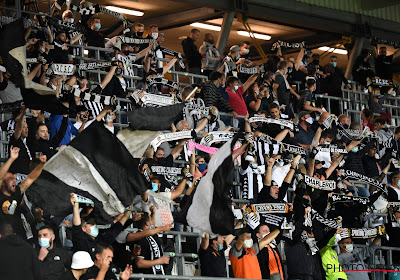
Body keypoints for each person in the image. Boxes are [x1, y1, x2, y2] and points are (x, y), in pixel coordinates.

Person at [0, 147, 46, 238]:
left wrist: (41, 165)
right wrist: (11, 159)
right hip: (4, 238)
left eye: (14, 178)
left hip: (19, 237)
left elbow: (31, 178)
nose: (14, 180)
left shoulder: (16, 192)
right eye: (10, 178)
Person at [70, 193, 132, 258]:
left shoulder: (101, 240)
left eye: (94, 223)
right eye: (91, 224)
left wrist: (127, 214)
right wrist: (75, 206)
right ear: (83, 229)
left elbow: (117, 228)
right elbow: (76, 225)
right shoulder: (81, 240)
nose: (95, 225)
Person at [8, 108, 32, 175]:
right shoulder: (15, 140)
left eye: (27, 127)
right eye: (24, 127)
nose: (26, 129)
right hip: (17, 177)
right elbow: (18, 128)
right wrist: (23, 113)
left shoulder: (26, 142)